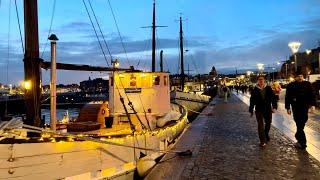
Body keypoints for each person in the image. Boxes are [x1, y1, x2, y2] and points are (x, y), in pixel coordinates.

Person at [285, 71, 316, 150]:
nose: (300, 77)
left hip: (305, 107)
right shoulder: (291, 85)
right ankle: (303, 143)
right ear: (295, 77)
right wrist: (288, 108)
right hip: (295, 107)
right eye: (298, 76)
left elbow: (312, 94)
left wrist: (313, 105)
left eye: (301, 76)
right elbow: (287, 97)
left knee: (302, 123)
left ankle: (298, 136)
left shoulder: (308, 84)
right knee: (298, 123)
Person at [249, 75, 278, 147]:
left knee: (268, 123)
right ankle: (262, 141)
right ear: (258, 81)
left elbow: (273, 98)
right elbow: (252, 100)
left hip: (268, 108)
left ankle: (266, 134)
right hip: (259, 109)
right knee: (260, 125)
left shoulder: (268, 88)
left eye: (262, 79)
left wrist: (274, 107)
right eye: (259, 79)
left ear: (264, 80)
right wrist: (251, 110)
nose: (261, 81)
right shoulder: (255, 89)